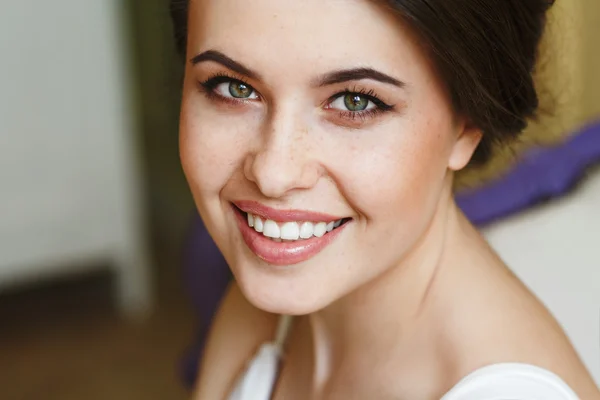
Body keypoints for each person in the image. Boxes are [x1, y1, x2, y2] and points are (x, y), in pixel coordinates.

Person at [171, 0, 600, 398]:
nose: (272, 174)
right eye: (232, 88)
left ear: (467, 122)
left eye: (354, 101)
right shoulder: (260, 306)